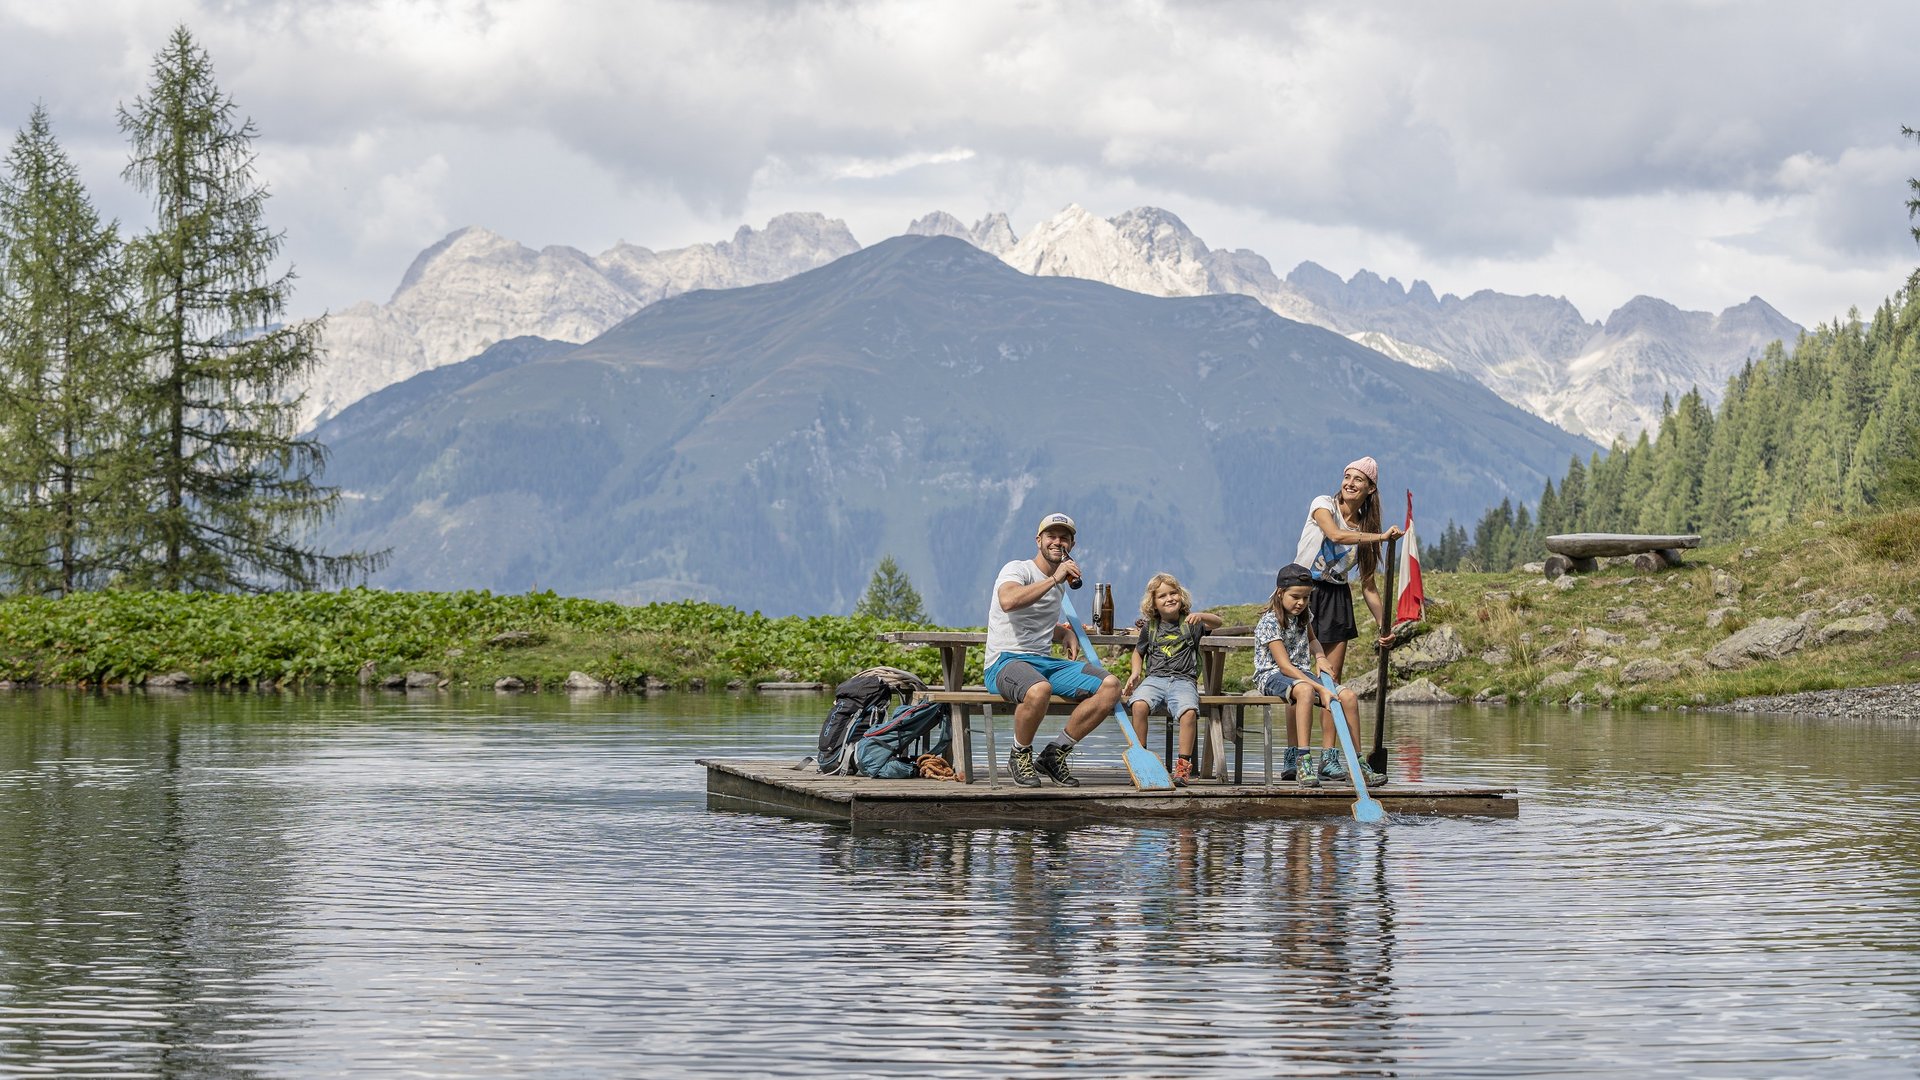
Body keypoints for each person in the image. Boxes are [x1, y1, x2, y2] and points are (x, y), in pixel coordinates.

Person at [985, 512, 1123, 787]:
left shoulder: (1059, 582)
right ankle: (1019, 753)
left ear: (1072, 544)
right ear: (1039, 540)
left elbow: (1036, 618)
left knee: (1111, 686)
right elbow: (1009, 601)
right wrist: (1054, 579)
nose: (1057, 542)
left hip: (1044, 663)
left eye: (1064, 538)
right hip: (1005, 661)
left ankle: (1055, 752)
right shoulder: (1017, 569)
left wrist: (1063, 633)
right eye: (1051, 536)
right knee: (1039, 690)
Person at [1253, 563, 1385, 787]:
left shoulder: (1303, 614)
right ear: (1280, 593)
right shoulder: (1269, 621)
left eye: (1305, 598)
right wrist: (1322, 689)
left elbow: (1313, 640)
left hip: (1301, 673)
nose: (1301, 603)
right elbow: (1284, 666)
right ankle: (1304, 761)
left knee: (1349, 697)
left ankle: (1357, 763)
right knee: (1305, 691)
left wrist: (1321, 657)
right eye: (1295, 597)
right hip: (1272, 675)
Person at [1294, 456, 1403, 681]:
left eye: (1358, 479)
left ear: (1370, 488)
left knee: (1331, 679)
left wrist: (1384, 627)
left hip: (1336, 598)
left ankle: (1332, 715)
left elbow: (1369, 585)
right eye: (1347, 477)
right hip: (1302, 590)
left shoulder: (1367, 528)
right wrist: (1381, 538)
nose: (1350, 483)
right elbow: (1336, 535)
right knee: (1298, 674)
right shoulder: (1323, 504)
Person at [1121, 573, 1223, 787]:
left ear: (1181, 595)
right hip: (1154, 679)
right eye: (1162, 596)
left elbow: (1218, 622)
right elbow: (1138, 652)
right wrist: (1135, 673)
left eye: (1173, 593)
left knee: (1188, 713)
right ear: (1154, 604)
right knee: (1138, 705)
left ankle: (1182, 768)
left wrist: (1202, 616)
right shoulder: (1150, 627)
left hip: (1184, 681)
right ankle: (1141, 760)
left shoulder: (1192, 624)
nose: (1169, 598)